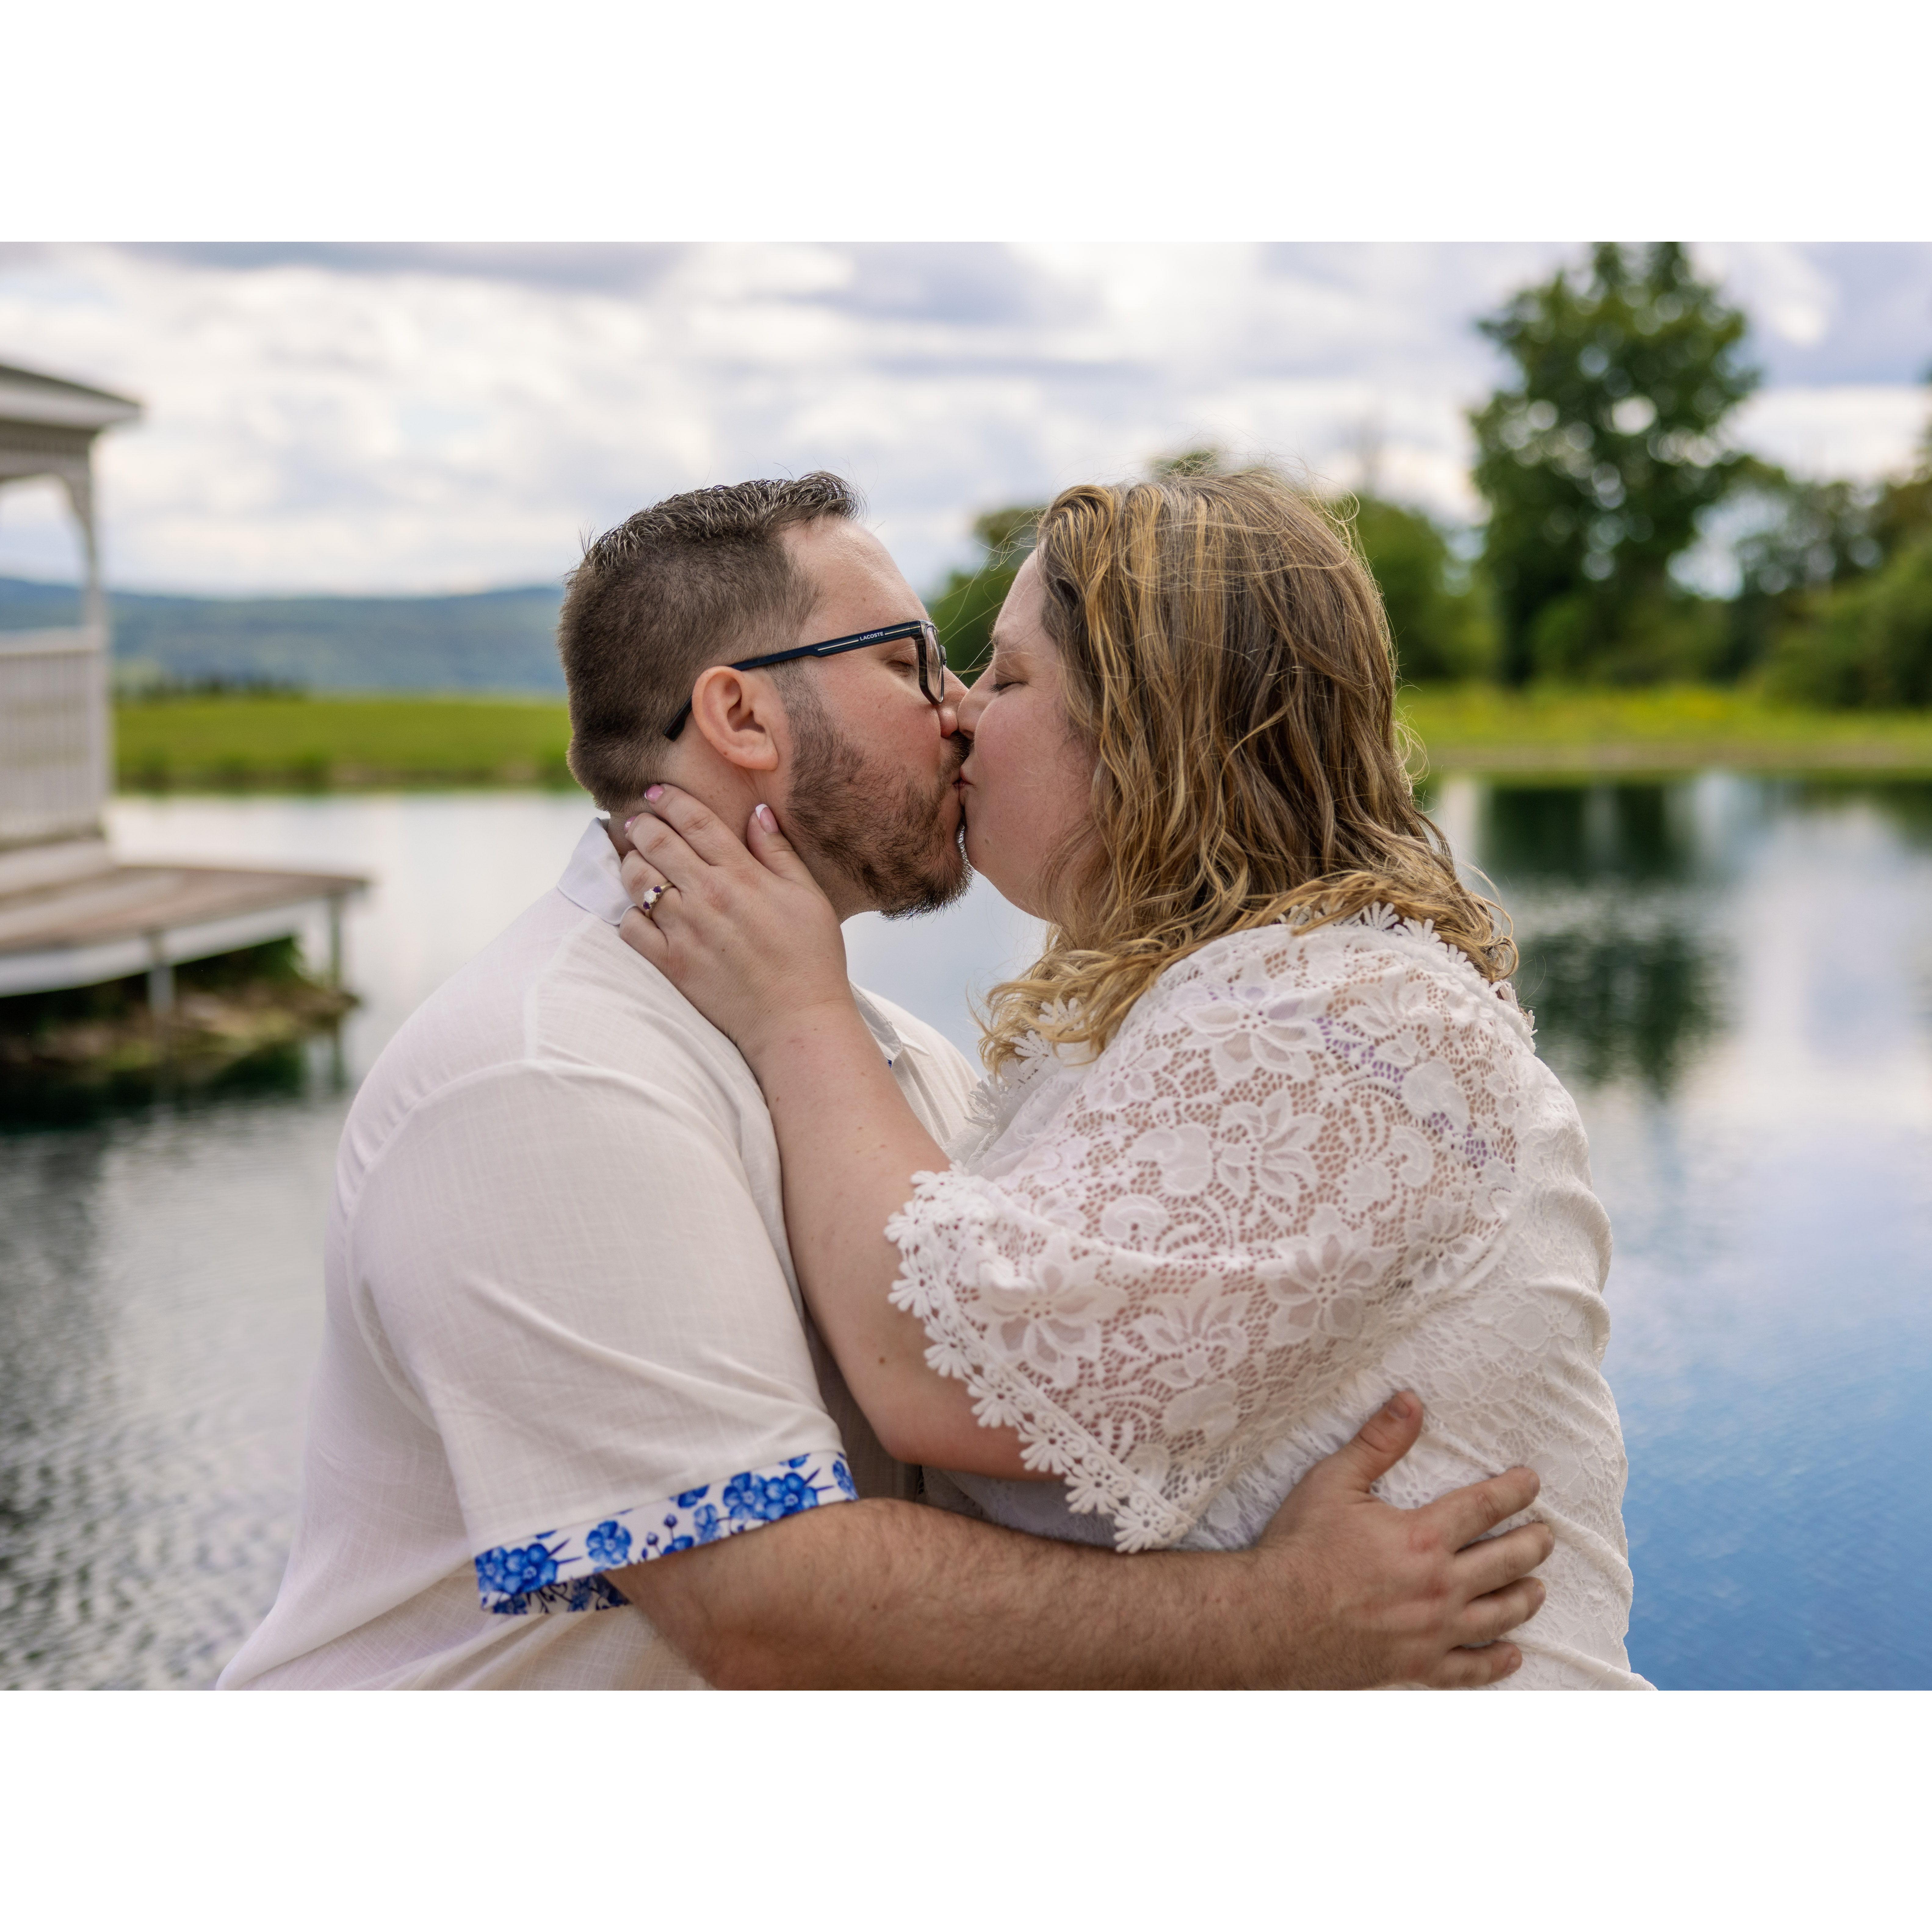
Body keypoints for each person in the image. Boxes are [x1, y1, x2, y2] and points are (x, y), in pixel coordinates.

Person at [218, 474, 1551, 1691]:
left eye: (984, 672)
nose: (955, 707)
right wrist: (1275, 1616)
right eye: (912, 660)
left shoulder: (878, 1052)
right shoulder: (547, 1075)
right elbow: (764, 1609)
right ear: (741, 712)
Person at [617, 469, 1649, 1689]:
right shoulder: (1203, 1003)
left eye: (1007, 678)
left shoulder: (1354, 1025)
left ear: (1151, 729)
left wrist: (796, 1008)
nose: (958, 714)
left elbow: (936, 1367)